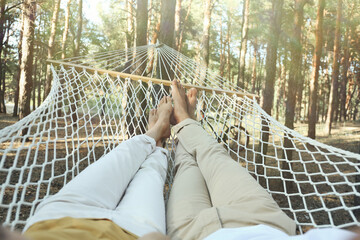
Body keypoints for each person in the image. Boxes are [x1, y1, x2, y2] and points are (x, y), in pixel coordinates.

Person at [165, 80, 359, 240]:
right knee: (213, 154)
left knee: (186, 165)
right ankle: (185, 120)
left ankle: (185, 122)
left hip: (192, 233)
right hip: (264, 221)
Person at [20, 96, 174, 240]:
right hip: (134, 232)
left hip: (59, 218)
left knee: (124, 155)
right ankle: (158, 144)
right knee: (151, 173)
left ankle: (155, 132)